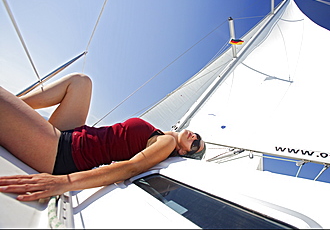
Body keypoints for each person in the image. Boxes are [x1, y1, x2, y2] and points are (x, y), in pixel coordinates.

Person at [0, 73, 205, 201]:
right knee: (81, 82)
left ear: (183, 152)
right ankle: (15, 108)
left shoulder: (166, 142)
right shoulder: (160, 135)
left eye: (195, 144)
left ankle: (10, 110)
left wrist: (65, 182)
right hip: (72, 137)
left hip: (62, 153)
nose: (194, 136)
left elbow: (131, 168)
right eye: (197, 135)